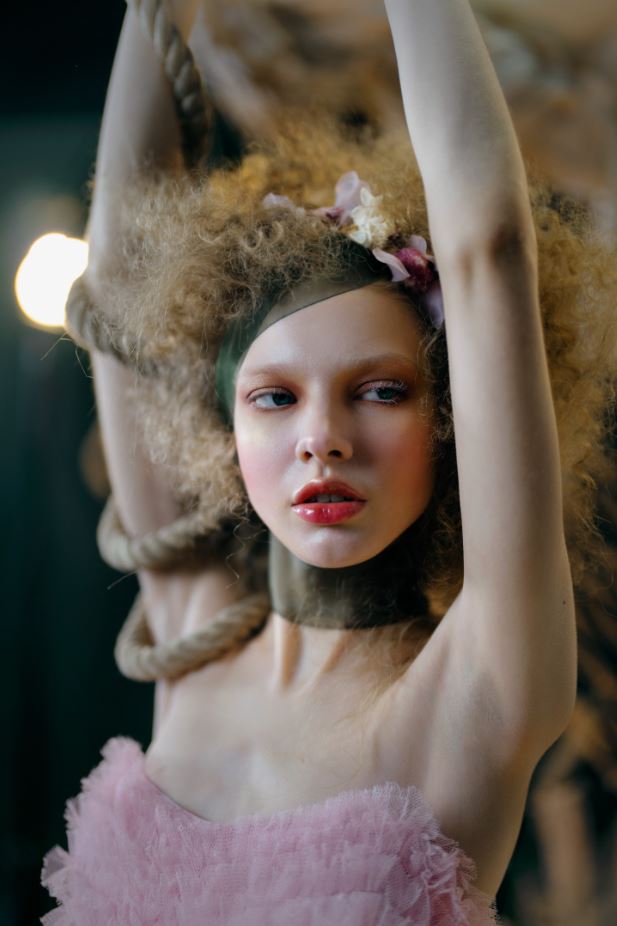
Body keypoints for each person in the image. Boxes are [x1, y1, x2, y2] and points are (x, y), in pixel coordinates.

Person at [40, 0, 616, 923]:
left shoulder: (477, 685)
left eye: (380, 390)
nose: (322, 438)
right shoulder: (194, 637)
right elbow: (117, 282)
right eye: (274, 398)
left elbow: (487, 249)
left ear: (449, 419)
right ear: (223, 431)